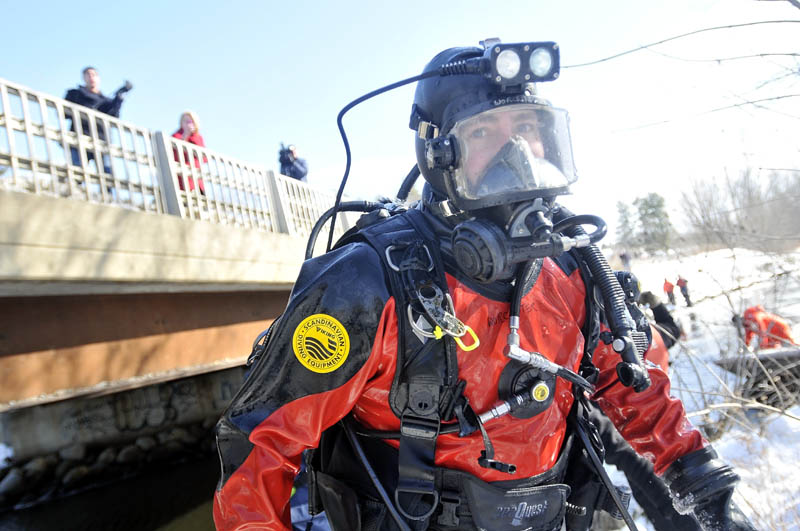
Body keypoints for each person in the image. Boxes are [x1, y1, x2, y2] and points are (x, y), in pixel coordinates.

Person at [213, 41, 754, 531]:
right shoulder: (367, 283)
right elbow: (259, 449)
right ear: (437, 155)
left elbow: (634, 391)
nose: (514, 153)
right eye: (483, 133)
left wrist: (707, 490)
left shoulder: (573, 270)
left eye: (526, 129)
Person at [64, 66, 133, 173]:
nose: (91, 77)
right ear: (84, 78)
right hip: (79, 137)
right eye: (88, 74)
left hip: (102, 140)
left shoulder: (105, 101)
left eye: (94, 75)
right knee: (77, 171)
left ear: (98, 78)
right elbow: (65, 113)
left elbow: (114, 116)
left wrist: (118, 99)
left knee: (107, 175)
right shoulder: (75, 94)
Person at [171, 110, 206, 194]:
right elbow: (174, 155)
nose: (187, 124)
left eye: (190, 121)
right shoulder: (175, 136)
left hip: (196, 179)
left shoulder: (198, 137)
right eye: (185, 121)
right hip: (182, 178)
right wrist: (185, 136)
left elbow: (204, 159)